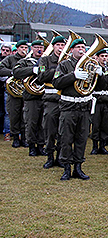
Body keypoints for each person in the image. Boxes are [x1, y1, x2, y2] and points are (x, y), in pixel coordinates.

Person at [52, 38, 107, 180]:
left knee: (81, 138)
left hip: (84, 107)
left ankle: (78, 167)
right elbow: (56, 82)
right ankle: (66, 168)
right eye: (78, 47)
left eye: (83, 46)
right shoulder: (64, 65)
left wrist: (100, 76)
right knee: (66, 138)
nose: (81, 49)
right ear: (71, 50)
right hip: (69, 107)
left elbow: (100, 87)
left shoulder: (91, 65)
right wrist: (73, 76)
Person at [13, 39, 46, 156]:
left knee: (43, 124)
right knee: (31, 123)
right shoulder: (25, 61)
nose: (39, 49)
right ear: (32, 48)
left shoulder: (45, 61)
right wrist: (32, 70)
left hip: (43, 96)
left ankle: (41, 146)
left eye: (41, 47)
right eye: (36, 47)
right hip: (31, 97)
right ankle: (32, 146)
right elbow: (16, 71)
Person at [38, 36, 66, 168]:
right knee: (49, 129)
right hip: (50, 99)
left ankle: (60, 156)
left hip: (64, 99)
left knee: (63, 130)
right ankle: (49, 156)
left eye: (62, 45)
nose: (60, 48)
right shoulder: (45, 60)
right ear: (53, 46)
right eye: (58, 45)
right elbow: (41, 76)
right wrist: (58, 70)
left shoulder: (68, 60)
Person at [0, 40, 29, 148]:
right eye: (21, 47)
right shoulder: (10, 59)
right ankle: (15, 138)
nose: (24, 50)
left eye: (25, 47)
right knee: (13, 115)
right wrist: (13, 72)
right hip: (13, 92)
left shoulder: (28, 60)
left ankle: (24, 138)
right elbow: (0, 68)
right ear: (17, 49)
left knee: (24, 116)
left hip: (26, 92)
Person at [89, 48, 108, 155]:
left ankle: (102, 145)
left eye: (105, 56)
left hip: (106, 99)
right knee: (96, 123)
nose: (104, 58)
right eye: (102, 56)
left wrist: (103, 74)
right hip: (97, 99)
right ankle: (94, 146)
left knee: (105, 124)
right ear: (96, 57)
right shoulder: (93, 68)